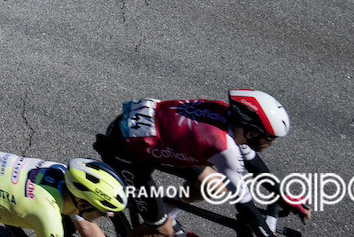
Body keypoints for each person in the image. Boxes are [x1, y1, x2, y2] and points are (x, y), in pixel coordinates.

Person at [92, 91, 305, 237]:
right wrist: (262, 229)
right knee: (160, 230)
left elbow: (253, 163)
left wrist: (283, 195)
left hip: (150, 133)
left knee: (213, 185)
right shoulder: (224, 146)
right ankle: (156, 223)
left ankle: (165, 211)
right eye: (270, 138)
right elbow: (244, 203)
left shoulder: (227, 115)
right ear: (251, 132)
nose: (272, 143)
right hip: (125, 149)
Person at [0, 155, 127, 237]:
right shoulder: (46, 214)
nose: (108, 216)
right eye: (104, 211)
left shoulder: (61, 172)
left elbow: (85, 225)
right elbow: (83, 224)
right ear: (82, 202)